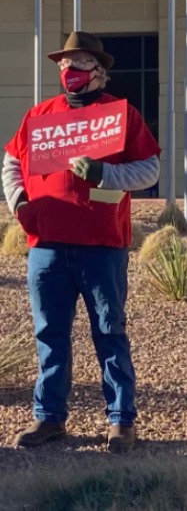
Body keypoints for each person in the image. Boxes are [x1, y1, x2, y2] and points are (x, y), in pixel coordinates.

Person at [3, 31, 162, 453]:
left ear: (100, 72)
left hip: (101, 244)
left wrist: (106, 175)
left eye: (79, 63)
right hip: (47, 245)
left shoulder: (121, 115)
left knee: (109, 331)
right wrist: (19, 204)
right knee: (49, 333)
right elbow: (11, 161)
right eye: (64, 65)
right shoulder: (40, 116)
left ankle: (121, 421)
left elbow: (149, 170)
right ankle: (49, 418)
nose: (70, 71)